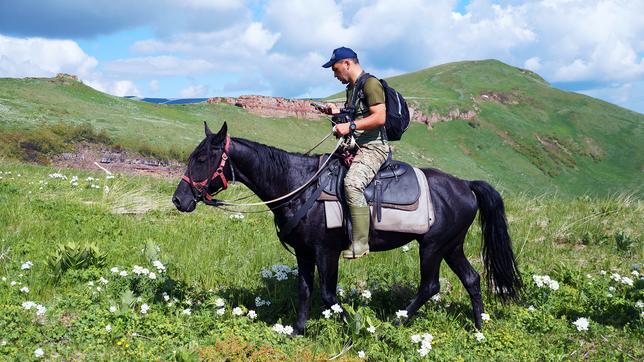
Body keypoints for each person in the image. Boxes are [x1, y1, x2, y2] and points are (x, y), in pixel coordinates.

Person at [321, 47, 390, 259]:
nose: (334, 74)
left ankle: (361, 243)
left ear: (347, 64)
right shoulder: (352, 88)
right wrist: (336, 113)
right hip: (355, 147)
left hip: (374, 148)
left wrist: (349, 127)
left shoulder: (371, 84)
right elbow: (356, 114)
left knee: (352, 184)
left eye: (335, 69)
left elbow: (380, 117)